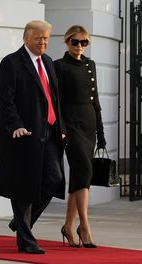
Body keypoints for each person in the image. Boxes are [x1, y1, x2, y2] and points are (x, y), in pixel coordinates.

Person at [0, 20, 67, 254]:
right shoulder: (11, 62)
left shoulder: (47, 62)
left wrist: (61, 127)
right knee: (23, 187)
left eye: (46, 38)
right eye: (38, 38)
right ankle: (26, 239)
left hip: (50, 132)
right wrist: (16, 125)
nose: (43, 42)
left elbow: (54, 98)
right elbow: (6, 100)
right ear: (26, 37)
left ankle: (21, 223)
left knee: (53, 179)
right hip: (24, 133)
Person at [54, 25, 105, 248]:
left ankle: (67, 225)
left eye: (84, 43)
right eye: (75, 42)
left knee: (79, 176)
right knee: (84, 170)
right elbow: (56, 102)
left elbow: (96, 101)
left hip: (89, 125)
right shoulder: (59, 66)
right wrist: (62, 129)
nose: (80, 46)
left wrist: (101, 131)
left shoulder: (90, 64)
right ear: (67, 42)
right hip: (71, 125)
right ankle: (84, 226)